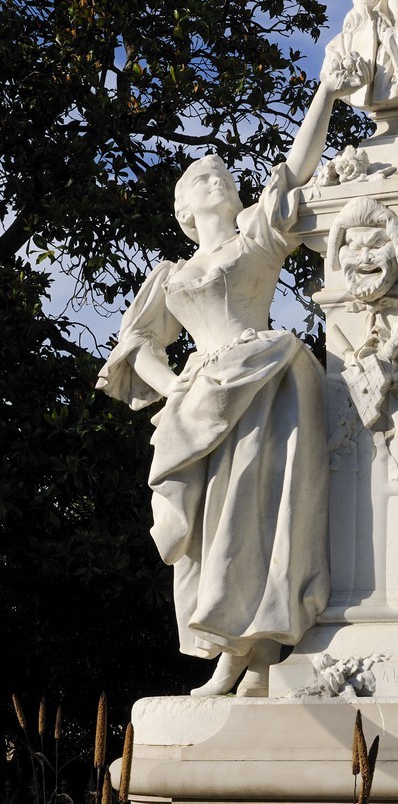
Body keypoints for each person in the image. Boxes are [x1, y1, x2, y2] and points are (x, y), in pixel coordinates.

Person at [96, 58, 358, 696]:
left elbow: (296, 166)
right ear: (184, 208)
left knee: (254, 512)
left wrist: (326, 88)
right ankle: (238, 654)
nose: (213, 176)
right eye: (199, 176)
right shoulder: (171, 273)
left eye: (221, 174)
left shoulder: (255, 242)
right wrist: (173, 388)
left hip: (260, 377)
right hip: (199, 398)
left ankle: (254, 654)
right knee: (209, 527)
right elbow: (135, 344)